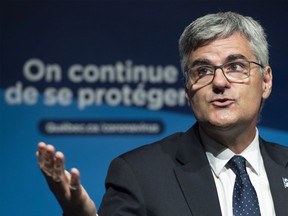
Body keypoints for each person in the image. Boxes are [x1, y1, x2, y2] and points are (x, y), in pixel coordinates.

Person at [37, 11, 288, 216]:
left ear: (265, 81)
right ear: (187, 92)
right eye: (202, 71)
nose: (219, 82)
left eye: (235, 67)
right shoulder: (138, 174)